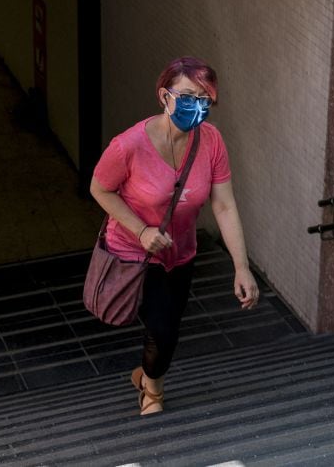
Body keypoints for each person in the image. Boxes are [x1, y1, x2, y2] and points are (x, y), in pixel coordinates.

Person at [90, 56, 259, 416]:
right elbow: (99, 188)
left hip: (180, 252)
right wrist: (141, 230)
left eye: (204, 98)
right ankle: (153, 393)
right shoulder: (129, 145)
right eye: (187, 96)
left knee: (168, 328)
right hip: (133, 251)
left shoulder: (211, 141)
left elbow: (224, 205)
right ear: (164, 96)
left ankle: (147, 374)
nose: (196, 105)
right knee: (162, 328)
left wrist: (241, 267)